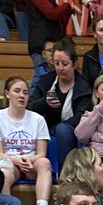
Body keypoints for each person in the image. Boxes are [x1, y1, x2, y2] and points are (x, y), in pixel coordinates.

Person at [0, 75, 52, 205]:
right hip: (9, 163)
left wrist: (28, 161)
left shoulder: (38, 119)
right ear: (7, 94)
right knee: (2, 174)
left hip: (31, 163)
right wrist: (17, 161)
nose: (22, 95)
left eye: (25, 92)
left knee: (45, 163)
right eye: (17, 91)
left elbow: (41, 153)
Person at [28, 36, 93, 170]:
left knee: (63, 130)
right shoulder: (45, 82)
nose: (60, 68)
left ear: (74, 64)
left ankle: (64, 173)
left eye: (65, 64)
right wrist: (44, 103)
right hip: (45, 130)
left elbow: (82, 116)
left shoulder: (84, 87)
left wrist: (57, 128)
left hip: (74, 132)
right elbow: (29, 107)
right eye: (57, 63)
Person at [24, 0, 77, 84]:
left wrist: (67, 11)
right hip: (41, 45)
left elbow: (58, 20)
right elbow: (51, 14)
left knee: (47, 80)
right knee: (41, 80)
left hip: (48, 44)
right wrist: (67, 6)